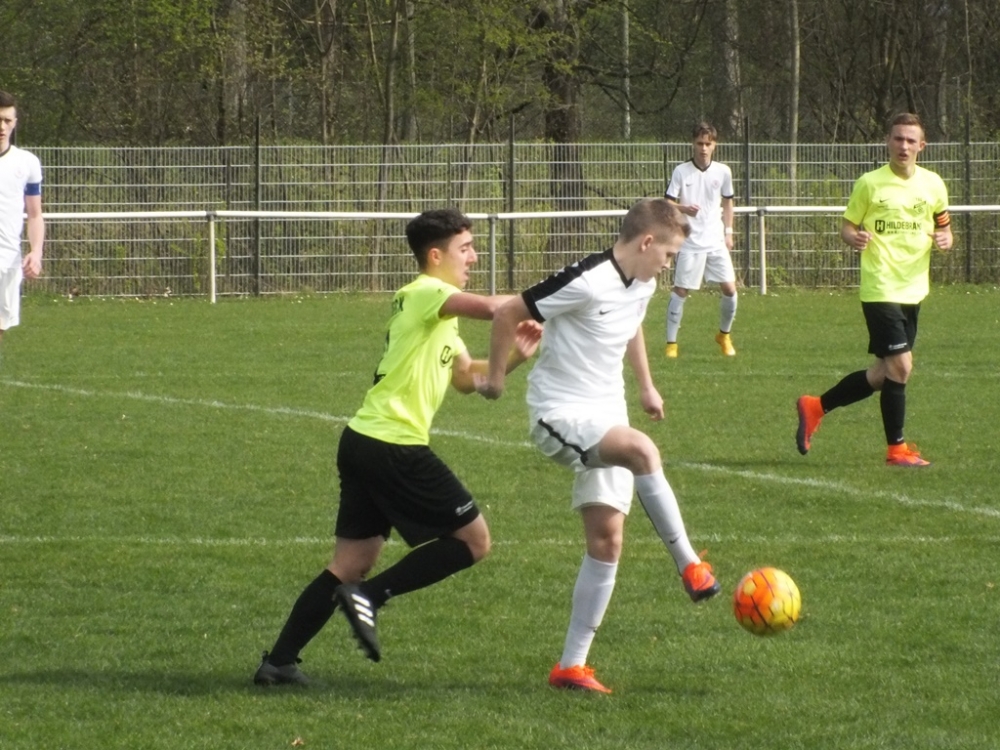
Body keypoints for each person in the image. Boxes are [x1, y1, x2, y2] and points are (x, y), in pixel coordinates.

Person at [254, 208, 541, 685]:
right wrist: (558, 297)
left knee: (349, 564)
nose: (474, 257)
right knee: (474, 542)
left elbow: (466, 380)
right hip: (393, 444)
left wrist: (513, 357)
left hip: (365, 441)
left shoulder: (438, 313)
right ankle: (369, 598)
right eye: (465, 248)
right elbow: (497, 309)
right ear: (436, 256)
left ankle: (279, 662)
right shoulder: (427, 292)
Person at [476, 198, 720, 694]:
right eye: (668, 254)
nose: (669, 265)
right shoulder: (586, 280)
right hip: (560, 413)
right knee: (643, 451)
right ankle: (690, 565)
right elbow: (507, 312)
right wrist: (496, 380)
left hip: (609, 413)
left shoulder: (643, 282)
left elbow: (630, 326)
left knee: (607, 540)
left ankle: (571, 666)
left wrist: (647, 386)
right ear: (646, 243)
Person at [796, 112, 952, 467]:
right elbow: (847, 226)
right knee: (902, 366)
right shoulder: (870, 183)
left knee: (884, 373)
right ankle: (896, 449)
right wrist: (854, 237)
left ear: (922, 146)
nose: (904, 146)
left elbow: (944, 226)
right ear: (887, 142)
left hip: (914, 289)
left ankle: (815, 406)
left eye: (910, 140)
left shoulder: (933, 185)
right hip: (880, 287)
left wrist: (946, 238)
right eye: (898, 138)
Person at [663, 122, 737, 358]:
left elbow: (728, 202)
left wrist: (728, 232)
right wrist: (684, 208)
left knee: (730, 289)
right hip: (690, 241)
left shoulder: (723, 171)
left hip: (715, 240)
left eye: (708, 144)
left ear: (715, 145)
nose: (703, 148)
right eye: (699, 143)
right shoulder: (681, 171)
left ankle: (724, 335)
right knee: (681, 290)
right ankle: (671, 344)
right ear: (693, 144)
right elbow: (667, 203)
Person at [0, 90, 44, 345]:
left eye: (7, 120)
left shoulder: (27, 163)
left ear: (15, 122)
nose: (2, 126)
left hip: (9, 259)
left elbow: (35, 214)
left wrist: (36, 252)